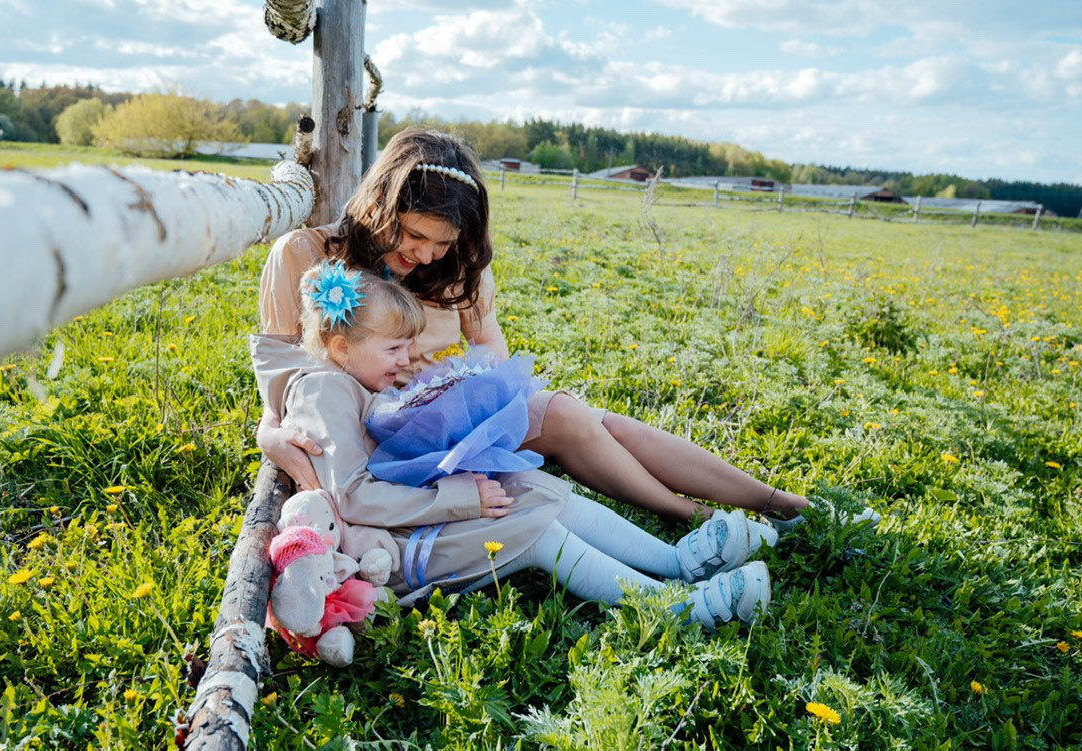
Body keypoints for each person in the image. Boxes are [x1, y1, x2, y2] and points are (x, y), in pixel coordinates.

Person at [255, 127, 877, 534]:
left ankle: (776, 501)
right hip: (381, 438)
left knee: (588, 418)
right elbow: (279, 381)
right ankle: (695, 516)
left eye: (441, 243)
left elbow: (489, 349)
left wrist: (462, 390)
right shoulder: (303, 255)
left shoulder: (456, 268)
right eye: (413, 234)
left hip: (449, 414)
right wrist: (268, 433)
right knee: (564, 414)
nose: (424, 255)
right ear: (378, 205)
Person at [254, 260, 773, 630]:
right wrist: (460, 497)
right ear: (342, 347)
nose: (406, 360)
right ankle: (674, 609)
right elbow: (352, 497)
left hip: (411, 519)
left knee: (531, 484)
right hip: (392, 552)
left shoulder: (351, 381)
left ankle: (676, 563)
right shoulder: (324, 392)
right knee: (535, 529)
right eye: (394, 348)